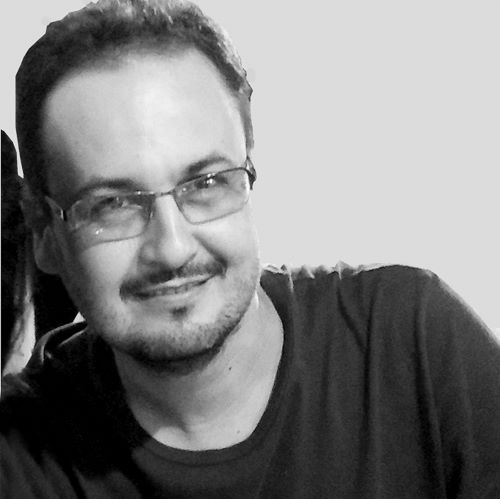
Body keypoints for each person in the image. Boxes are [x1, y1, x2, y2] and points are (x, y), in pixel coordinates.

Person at [1, 0, 499, 496]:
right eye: (112, 205)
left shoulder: (412, 343)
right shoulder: (18, 456)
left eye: (206, 183)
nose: (172, 249)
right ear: (43, 231)